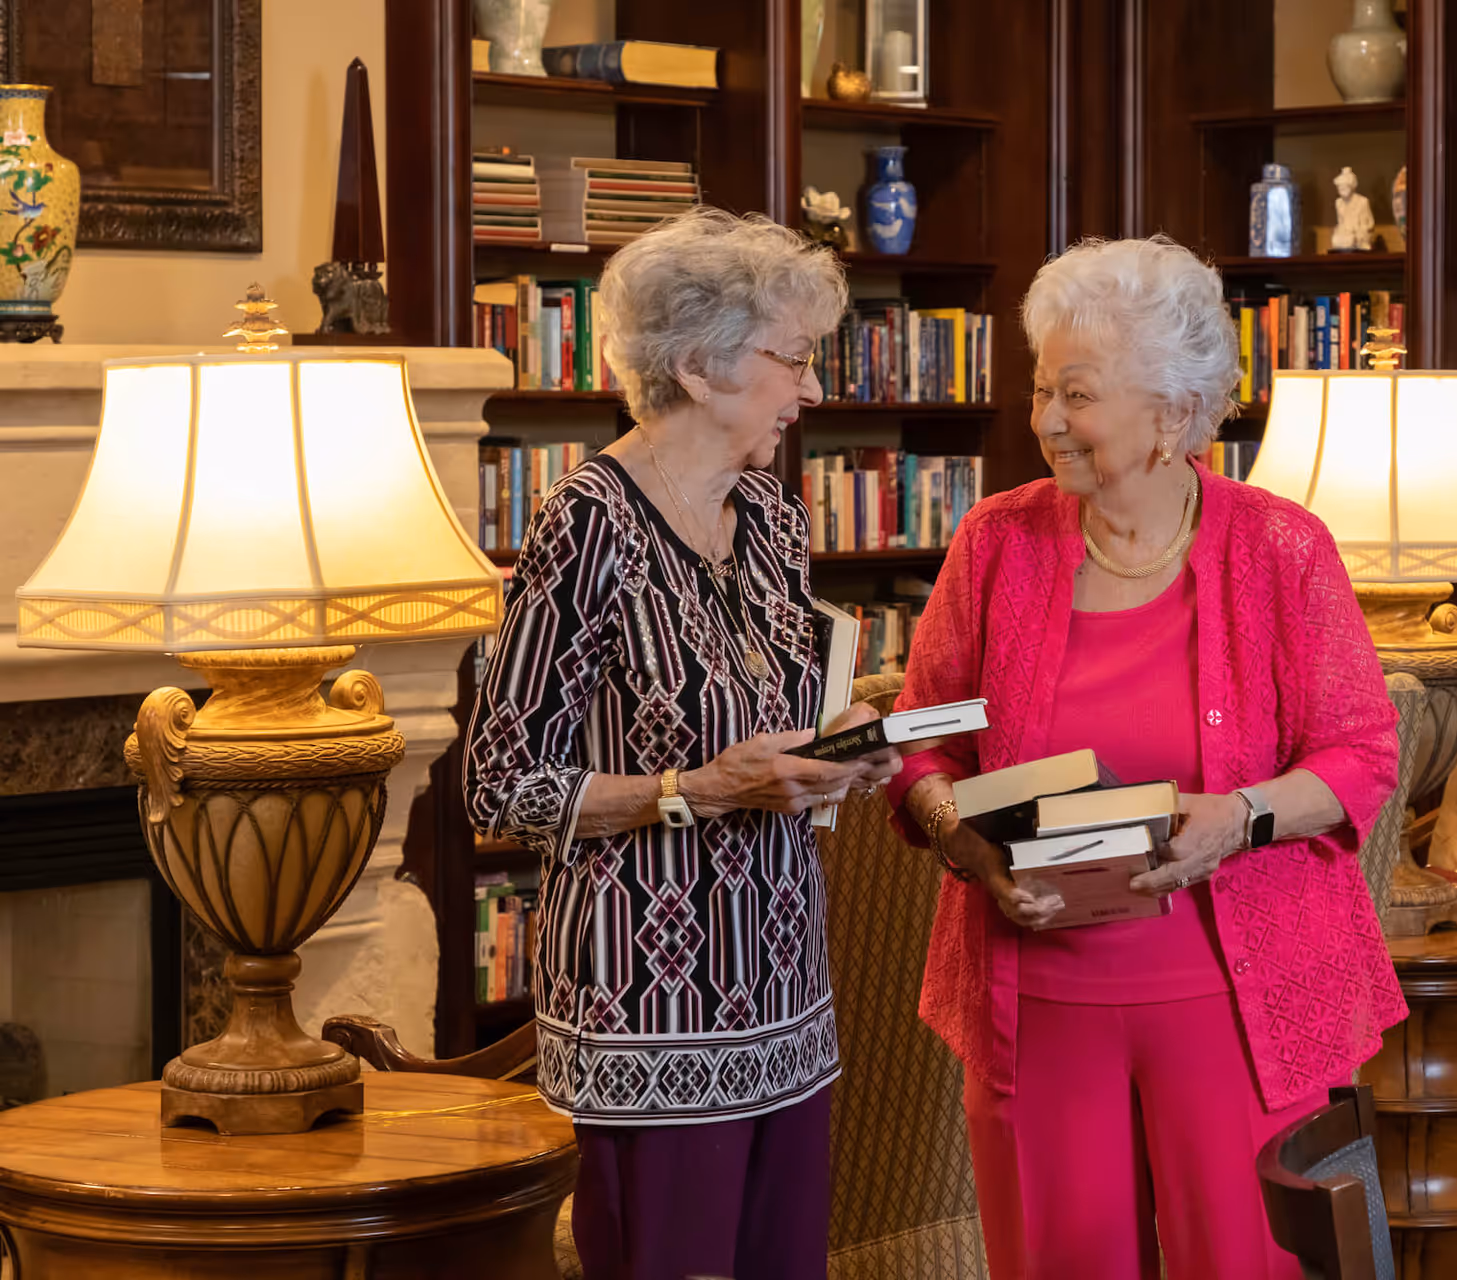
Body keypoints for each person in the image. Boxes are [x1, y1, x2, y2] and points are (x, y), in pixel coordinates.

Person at [887, 235, 1407, 1279]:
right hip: (1034, 999)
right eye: (1041, 388)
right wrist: (963, 843)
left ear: (1173, 411)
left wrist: (1240, 814)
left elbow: (1362, 752)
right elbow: (918, 738)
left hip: (1238, 996)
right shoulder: (996, 540)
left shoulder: (1282, 547)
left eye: (1076, 394)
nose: (1044, 420)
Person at [466, 208, 898, 1280]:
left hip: (787, 995)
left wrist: (843, 746)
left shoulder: (773, 518)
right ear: (701, 367)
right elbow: (503, 783)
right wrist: (693, 789)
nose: (810, 392)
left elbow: (771, 720)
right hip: (644, 1014)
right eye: (793, 359)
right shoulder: (584, 523)